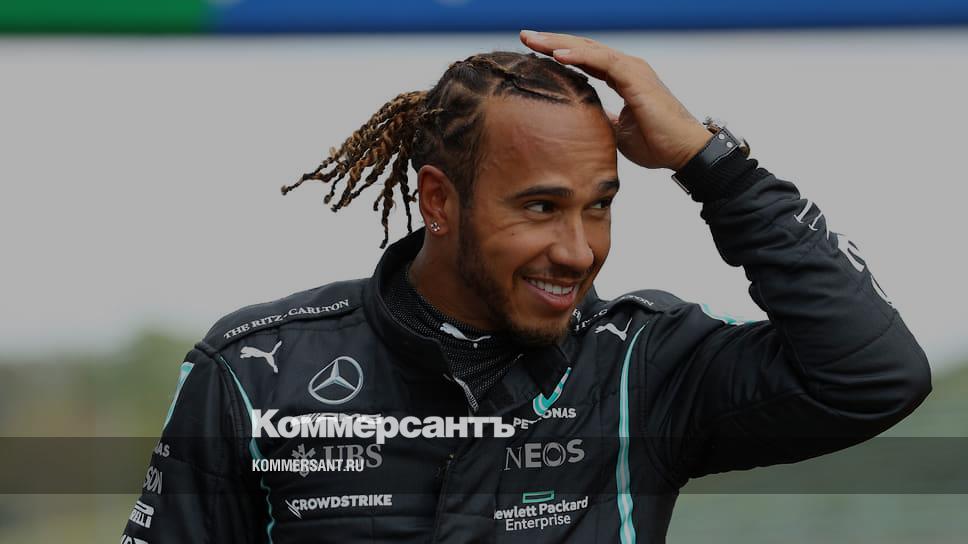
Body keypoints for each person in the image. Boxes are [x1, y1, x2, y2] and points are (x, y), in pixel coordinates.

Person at [121, 30, 931, 543]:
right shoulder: (255, 373)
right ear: (440, 201)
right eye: (541, 208)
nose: (578, 250)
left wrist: (710, 162)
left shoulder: (641, 366)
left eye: (600, 206)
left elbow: (872, 376)